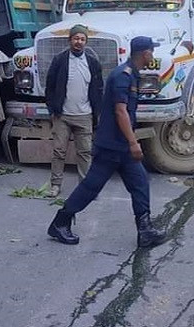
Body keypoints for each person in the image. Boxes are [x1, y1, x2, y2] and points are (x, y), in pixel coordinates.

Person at [48, 36, 168, 247]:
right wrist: (133, 142)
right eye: (152, 51)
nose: (153, 55)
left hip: (119, 145)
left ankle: (145, 230)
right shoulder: (123, 75)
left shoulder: (131, 74)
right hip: (113, 145)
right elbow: (121, 111)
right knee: (91, 186)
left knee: (140, 183)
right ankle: (61, 221)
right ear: (145, 53)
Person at [45, 24, 103, 198]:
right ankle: (55, 185)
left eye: (82, 39)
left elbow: (99, 89)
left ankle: (85, 188)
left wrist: (96, 113)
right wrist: (53, 109)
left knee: (85, 153)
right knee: (58, 152)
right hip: (62, 115)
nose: (79, 42)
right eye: (76, 38)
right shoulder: (59, 60)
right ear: (70, 40)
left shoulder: (92, 63)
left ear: (86, 42)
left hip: (84, 116)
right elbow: (50, 86)